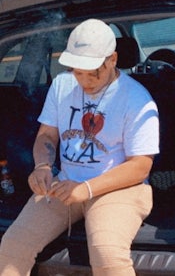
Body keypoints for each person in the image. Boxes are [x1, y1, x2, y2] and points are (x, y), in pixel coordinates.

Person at [0, 19, 159, 276]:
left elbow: (140, 166)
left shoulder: (136, 98)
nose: (84, 80)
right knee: (12, 246)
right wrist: (42, 165)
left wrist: (86, 188)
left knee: (107, 255)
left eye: (92, 72)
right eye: (78, 71)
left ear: (112, 59)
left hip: (119, 189)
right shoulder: (62, 85)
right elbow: (47, 135)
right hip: (65, 183)